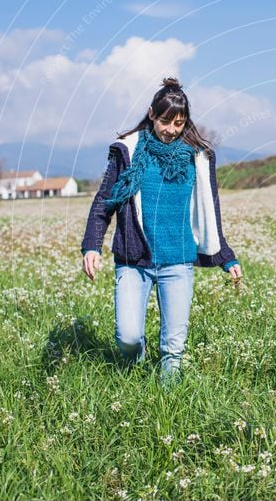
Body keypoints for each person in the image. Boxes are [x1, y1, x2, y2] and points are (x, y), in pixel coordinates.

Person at [80, 77, 242, 387]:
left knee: (173, 349)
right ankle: (134, 371)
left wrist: (226, 257)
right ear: (152, 114)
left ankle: (168, 406)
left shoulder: (198, 158)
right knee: (127, 337)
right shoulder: (128, 151)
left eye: (178, 124)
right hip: (133, 260)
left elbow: (210, 213)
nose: (171, 129)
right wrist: (92, 245)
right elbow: (105, 201)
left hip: (178, 260)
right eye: (166, 121)